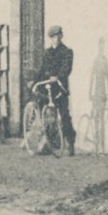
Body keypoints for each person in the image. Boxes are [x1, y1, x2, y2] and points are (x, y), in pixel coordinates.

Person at [33, 24, 76, 156]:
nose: (55, 39)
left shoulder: (67, 51)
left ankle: (70, 142)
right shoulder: (47, 52)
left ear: (61, 37)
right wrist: (35, 82)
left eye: (57, 36)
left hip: (59, 88)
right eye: (53, 37)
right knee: (40, 105)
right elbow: (42, 69)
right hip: (48, 87)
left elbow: (67, 68)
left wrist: (57, 76)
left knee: (64, 116)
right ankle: (44, 138)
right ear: (50, 38)